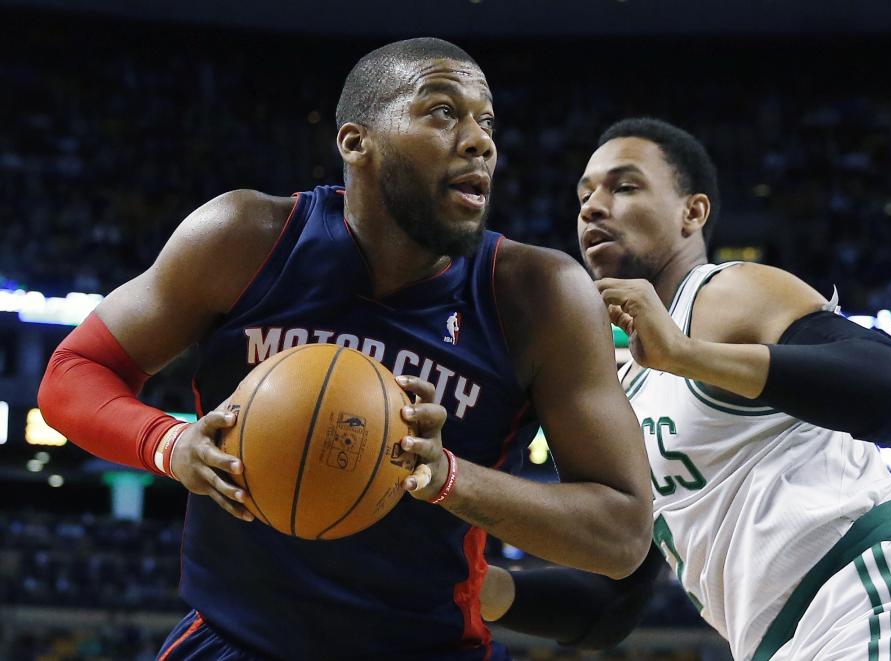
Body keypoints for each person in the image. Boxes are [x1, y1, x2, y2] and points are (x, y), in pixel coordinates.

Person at [36, 41, 655, 660]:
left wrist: (447, 478)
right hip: (233, 641)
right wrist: (170, 444)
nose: (480, 141)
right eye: (443, 112)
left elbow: (621, 533)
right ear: (357, 142)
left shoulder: (538, 294)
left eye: (487, 121)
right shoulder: (245, 238)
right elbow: (73, 372)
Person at [481, 118, 891, 660]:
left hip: (883, 596)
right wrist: (479, 590)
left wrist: (687, 356)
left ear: (694, 212)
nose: (593, 206)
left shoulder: (723, 292)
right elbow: (612, 602)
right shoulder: (624, 388)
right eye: (585, 194)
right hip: (790, 641)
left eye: (624, 186)